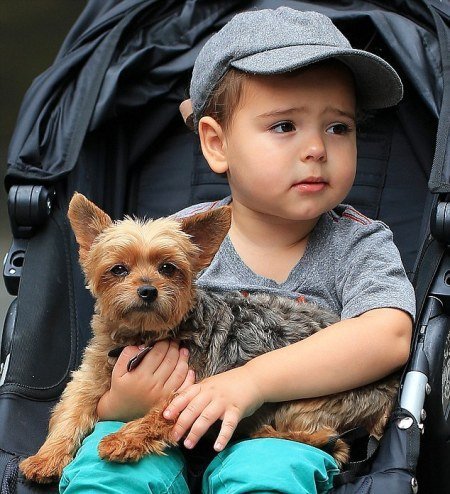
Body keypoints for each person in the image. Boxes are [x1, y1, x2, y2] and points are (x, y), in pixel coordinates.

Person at [60, 7, 415, 493]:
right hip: (156, 429)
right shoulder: (177, 242)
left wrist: (253, 381)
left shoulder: (358, 243)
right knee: (107, 471)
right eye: (284, 126)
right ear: (216, 144)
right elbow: (112, 345)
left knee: (265, 472)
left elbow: (389, 336)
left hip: (284, 433)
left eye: (339, 127)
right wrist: (117, 404)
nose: (317, 148)